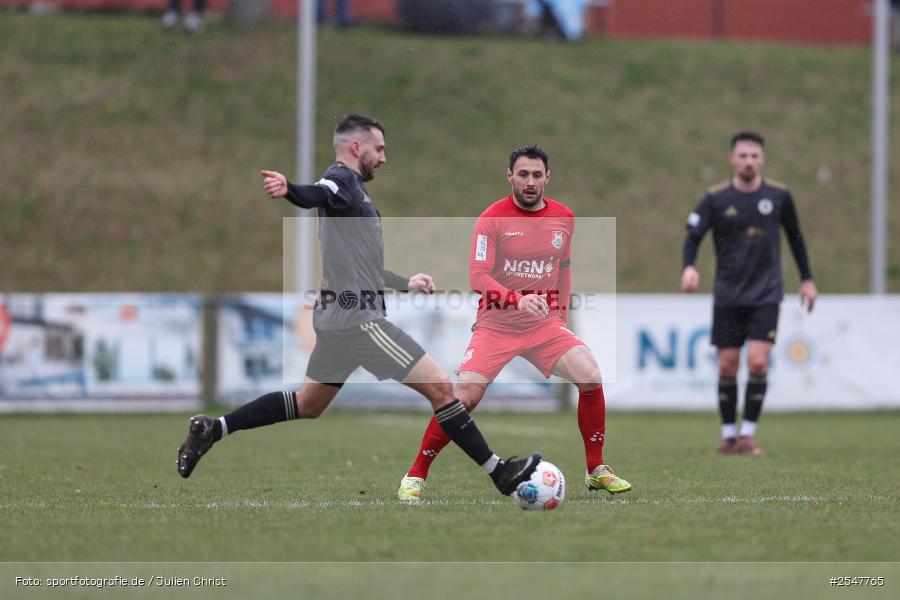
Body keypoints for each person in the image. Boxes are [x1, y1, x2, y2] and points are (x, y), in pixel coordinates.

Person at [176, 114, 541, 496]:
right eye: (379, 148)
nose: (383, 157)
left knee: (309, 402)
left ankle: (212, 428)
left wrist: (405, 283)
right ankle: (500, 472)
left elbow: (362, 263)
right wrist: (290, 190)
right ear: (356, 147)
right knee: (442, 390)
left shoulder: (354, 193)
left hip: (338, 318)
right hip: (358, 321)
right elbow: (317, 192)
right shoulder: (342, 180)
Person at [397, 145, 631, 502]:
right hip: (496, 326)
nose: (531, 182)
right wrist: (517, 299)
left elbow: (563, 268)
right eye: (523, 174)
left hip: (543, 327)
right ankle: (415, 475)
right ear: (509, 176)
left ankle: (596, 469)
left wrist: (560, 316)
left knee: (590, 374)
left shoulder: (564, 217)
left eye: (537, 175)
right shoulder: (491, 219)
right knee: (463, 398)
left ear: (548, 178)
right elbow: (478, 276)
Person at [681, 131, 817, 456]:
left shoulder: (779, 196)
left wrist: (807, 279)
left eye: (754, 156)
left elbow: (796, 238)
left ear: (762, 159)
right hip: (728, 294)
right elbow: (693, 235)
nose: (748, 161)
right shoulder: (715, 198)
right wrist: (689, 266)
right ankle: (728, 436)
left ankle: (748, 436)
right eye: (742, 155)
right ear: (732, 158)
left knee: (758, 361)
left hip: (766, 293)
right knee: (728, 365)